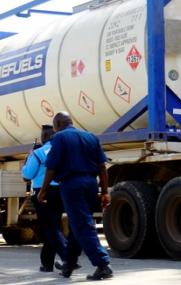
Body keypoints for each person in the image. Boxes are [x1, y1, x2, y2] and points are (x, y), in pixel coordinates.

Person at [38, 112, 113, 281]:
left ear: (57, 124)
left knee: (82, 224)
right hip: (90, 185)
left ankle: (103, 265)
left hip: (72, 185)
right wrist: (105, 191)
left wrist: (43, 190)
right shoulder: (91, 137)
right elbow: (102, 167)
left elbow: (51, 168)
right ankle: (68, 264)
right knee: (77, 225)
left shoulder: (59, 138)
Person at [21, 125, 70, 272]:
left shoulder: (38, 153)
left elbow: (27, 175)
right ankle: (47, 263)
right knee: (53, 226)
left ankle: (68, 258)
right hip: (61, 191)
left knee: (50, 228)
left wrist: (27, 159)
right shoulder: (63, 152)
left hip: (43, 192)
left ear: (45, 136)